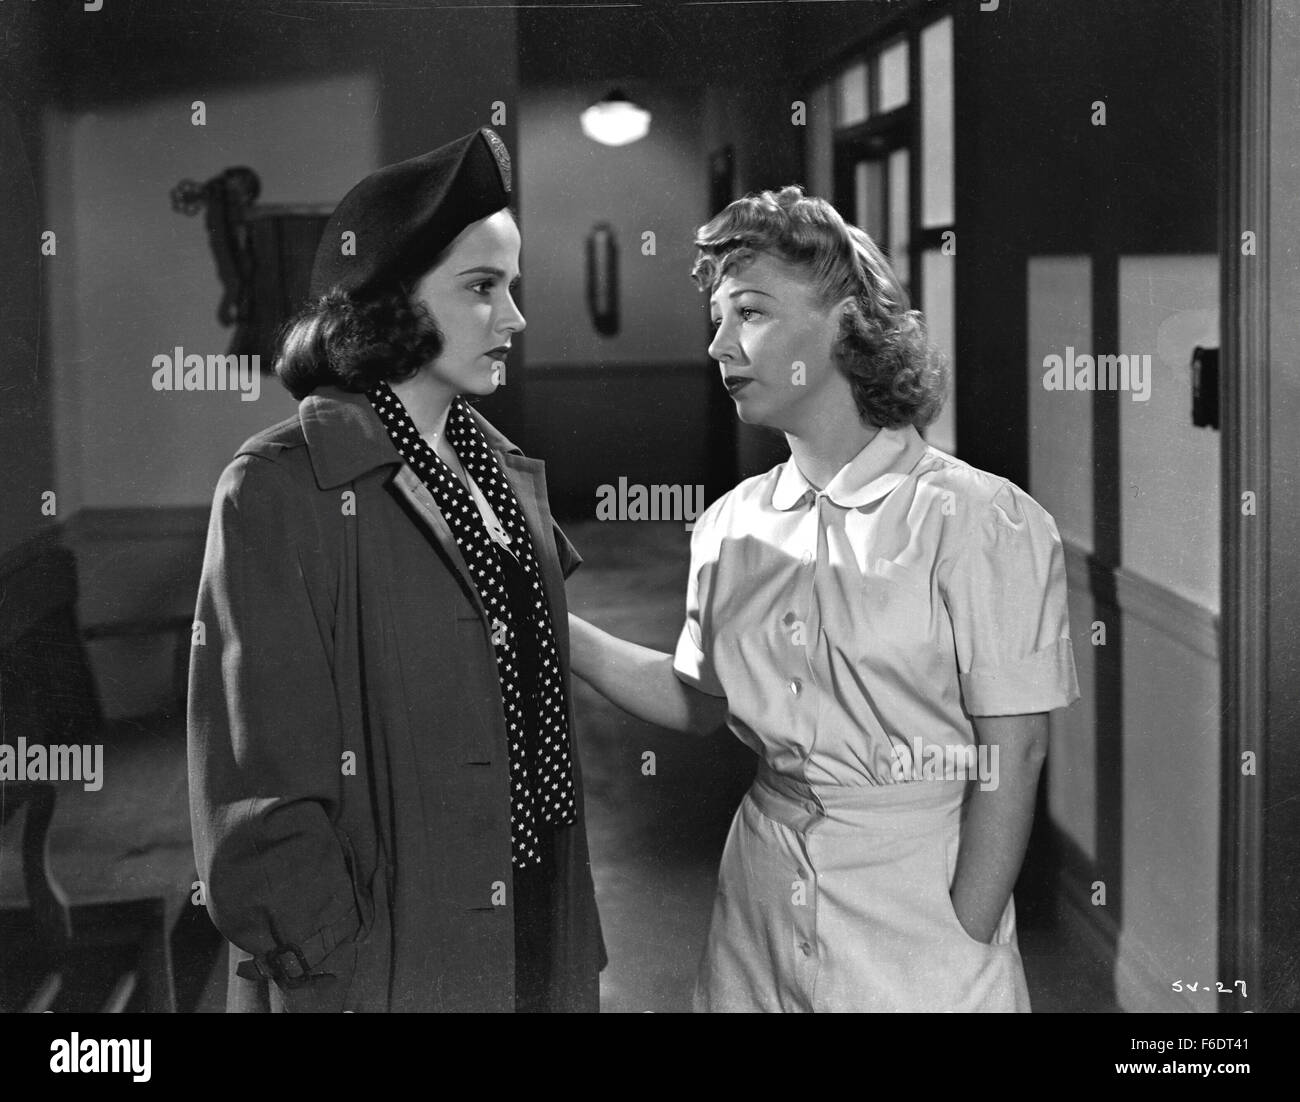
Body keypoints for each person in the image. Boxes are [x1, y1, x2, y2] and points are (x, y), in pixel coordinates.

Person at [568, 185, 1080, 1012]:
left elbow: (1013, 752)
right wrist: (555, 627)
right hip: (756, 905)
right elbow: (699, 700)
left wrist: (966, 930)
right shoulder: (731, 523)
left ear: (844, 325)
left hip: (915, 909)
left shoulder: (977, 518)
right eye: (718, 318)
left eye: (750, 313)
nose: (718, 345)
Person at [188, 127, 604, 1013]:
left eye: (512, 286)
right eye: (482, 287)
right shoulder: (278, 488)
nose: (515, 318)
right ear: (390, 304)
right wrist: (333, 961)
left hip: (537, 914)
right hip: (389, 963)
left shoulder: (499, 468)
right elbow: (256, 791)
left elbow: (542, 659)